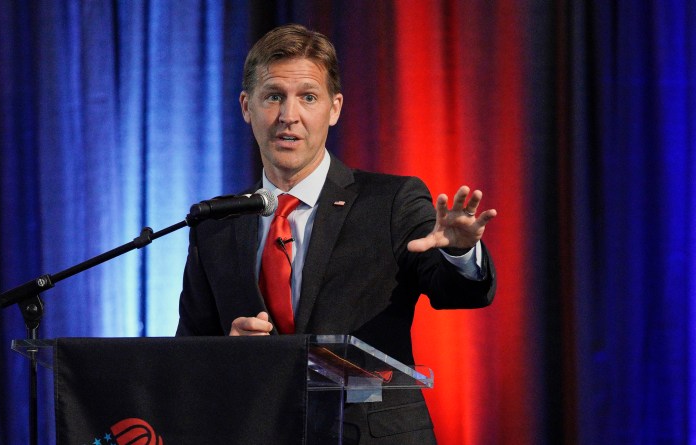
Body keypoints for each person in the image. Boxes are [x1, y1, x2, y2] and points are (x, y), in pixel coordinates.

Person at [176, 23, 497, 445]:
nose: (288, 115)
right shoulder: (216, 223)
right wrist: (227, 352)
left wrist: (460, 251)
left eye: (308, 97)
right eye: (273, 96)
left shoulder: (392, 201)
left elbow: (457, 293)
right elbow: (187, 355)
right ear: (246, 107)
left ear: (334, 108)